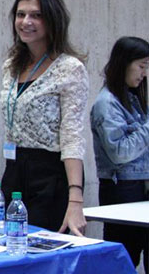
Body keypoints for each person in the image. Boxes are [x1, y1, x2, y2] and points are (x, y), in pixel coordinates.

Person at [0, 0, 88, 235]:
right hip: (14, 169)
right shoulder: (12, 66)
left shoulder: (69, 68)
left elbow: (72, 136)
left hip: (51, 174)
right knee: (9, 245)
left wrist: (75, 199)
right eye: (21, 14)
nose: (26, 22)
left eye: (36, 15)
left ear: (52, 20)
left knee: (42, 248)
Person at [91, 36, 149, 269]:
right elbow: (119, 152)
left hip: (140, 185)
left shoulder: (133, 98)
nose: (144, 74)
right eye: (141, 66)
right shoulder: (107, 103)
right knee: (124, 258)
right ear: (124, 63)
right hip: (122, 188)